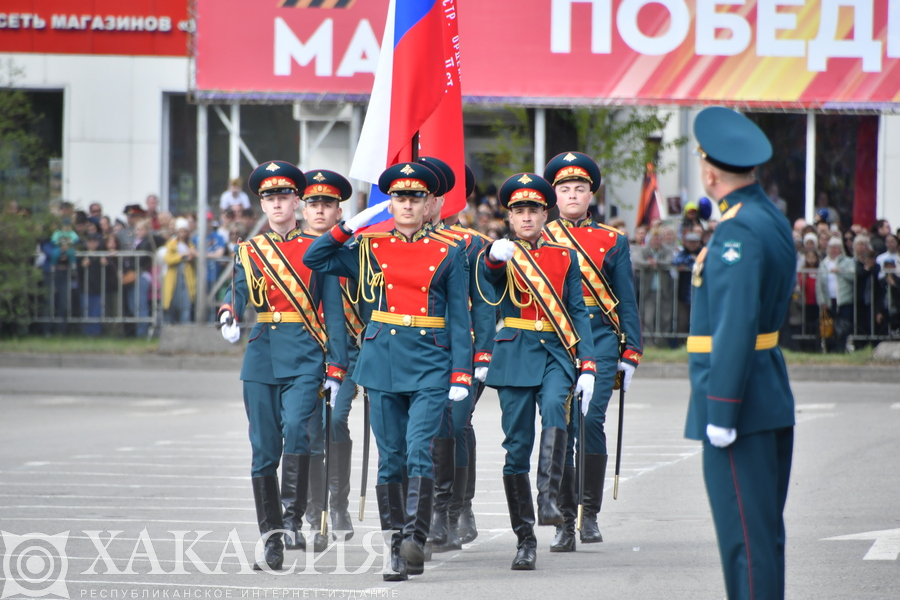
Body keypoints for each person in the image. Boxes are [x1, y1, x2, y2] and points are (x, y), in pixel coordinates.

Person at [303, 162, 472, 581]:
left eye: (416, 197)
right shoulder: (369, 246)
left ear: (430, 202)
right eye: (399, 197)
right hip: (381, 362)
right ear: (389, 203)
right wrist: (350, 225)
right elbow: (315, 255)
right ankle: (396, 547)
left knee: (418, 449)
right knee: (389, 458)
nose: (408, 204)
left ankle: (415, 537)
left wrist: (461, 372)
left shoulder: (449, 252)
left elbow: (458, 320)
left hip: (431, 362)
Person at [685, 106, 796, 600]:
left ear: (709, 172)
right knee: (762, 537)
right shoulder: (768, 217)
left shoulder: (739, 230)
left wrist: (722, 408)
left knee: (745, 543)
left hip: (740, 401)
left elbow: (735, 325)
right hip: (766, 387)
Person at [217, 160, 349, 571]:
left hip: (306, 354)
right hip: (261, 354)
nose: (276, 204)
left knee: (296, 429)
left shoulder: (316, 249)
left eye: (283, 197)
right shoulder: (250, 250)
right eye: (269, 198)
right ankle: (271, 537)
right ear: (263, 203)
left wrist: (337, 366)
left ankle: (292, 519)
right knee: (262, 450)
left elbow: (333, 312)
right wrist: (228, 314)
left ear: (297, 200)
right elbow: (237, 290)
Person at [478, 172, 596, 571]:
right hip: (513, 354)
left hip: (556, 354)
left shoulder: (564, 255)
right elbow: (487, 288)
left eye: (533, 210)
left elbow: (577, 309)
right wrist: (494, 260)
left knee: (554, 410)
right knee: (516, 448)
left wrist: (589, 363)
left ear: (546, 213)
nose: (526, 218)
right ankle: (525, 538)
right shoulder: (499, 253)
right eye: (518, 211)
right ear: (509, 217)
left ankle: (549, 498)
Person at [539, 152, 642, 551]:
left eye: (579, 188)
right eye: (564, 189)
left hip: (599, 338)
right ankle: (565, 519)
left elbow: (626, 299)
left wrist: (631, 349)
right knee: (559, 427)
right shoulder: (541, 237)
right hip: (556, 339)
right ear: (554, 196)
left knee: (589, 421)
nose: (572, 195)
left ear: (590, 194)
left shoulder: (611, 240)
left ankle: (589, 512)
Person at [419, 158, 495, 552]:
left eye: (436, 193)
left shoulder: (472, 244)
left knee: (456, 423)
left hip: (462, 348)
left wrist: (482, 353)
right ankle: (432, 510)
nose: (430, 201)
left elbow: (483, 304)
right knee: (430, 429)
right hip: (422, 348)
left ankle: (455, 509)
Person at [295, 169, 357, 549]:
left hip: (348, 352)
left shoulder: (356, 251)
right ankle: (315, 510)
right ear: (303, 209)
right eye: (314, 203)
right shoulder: (292, 251)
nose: (320, 210)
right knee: (309, 429)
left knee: (335, 419)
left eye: (328, 204)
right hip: (304, 351)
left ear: (339, 211)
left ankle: (339, 505)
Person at [816, 236, 855, 352]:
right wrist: (822, 301)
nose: (834, 250)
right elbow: (819, 284)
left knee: (843, 326)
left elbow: (853, 277)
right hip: (828, 300)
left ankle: (841, 348)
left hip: (844, 299)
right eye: (831, 247)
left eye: (836, 248)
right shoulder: (824, 263)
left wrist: (840, 271)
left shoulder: (848, 261)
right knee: (828, 327)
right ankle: (829, 349)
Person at [162, 218, 197, 324]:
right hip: (174, 277)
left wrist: (192, 258)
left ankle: (185, 326)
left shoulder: (191, 246)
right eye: (181, 231)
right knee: (172, 303)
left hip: (186, 279)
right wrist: (182, 256)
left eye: (185, 231)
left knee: (186, 304)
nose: (183, 234)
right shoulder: (172, 245)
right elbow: (168, 259)